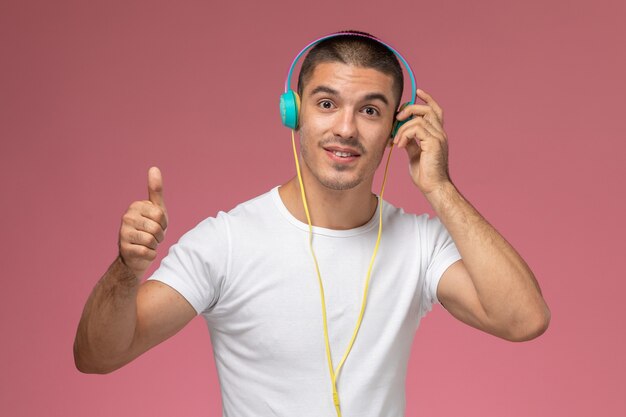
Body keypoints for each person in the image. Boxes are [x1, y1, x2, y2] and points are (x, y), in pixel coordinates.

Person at [74, 30, 550, 416]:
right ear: (294, 112)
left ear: (395, 131)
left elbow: (524, 319)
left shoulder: (419, 244)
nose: (345, 128)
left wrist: (440, 187)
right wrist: (127, 270)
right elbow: (98, 356)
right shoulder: (228, 242)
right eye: (326, 104)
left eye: (369, 110)